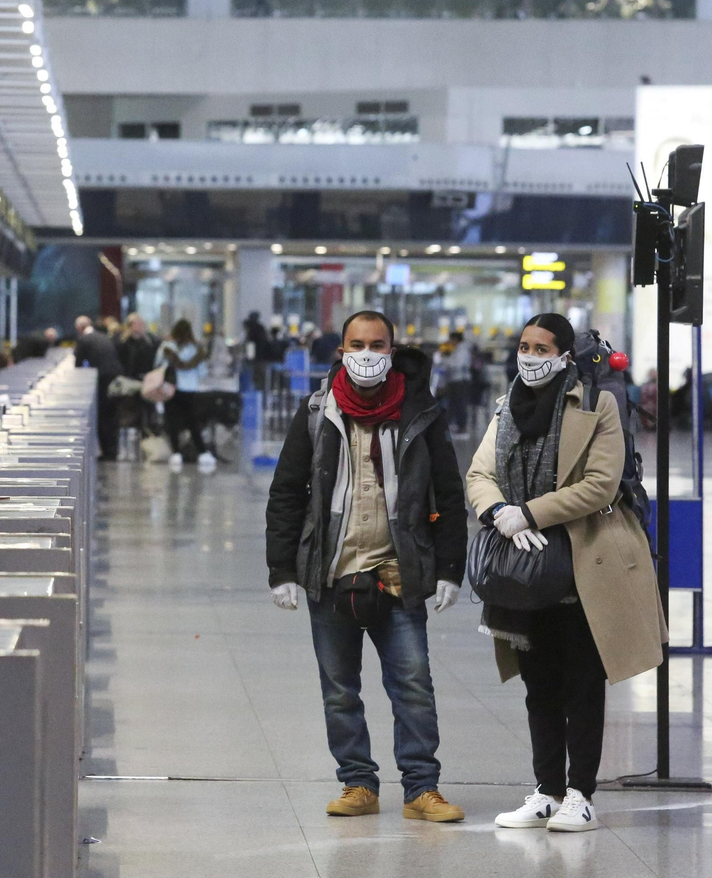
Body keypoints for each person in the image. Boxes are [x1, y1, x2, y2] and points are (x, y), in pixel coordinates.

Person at [265, 310, 468, 823]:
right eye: (357, 344)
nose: (367, 354)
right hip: (330, 575)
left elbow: (449, 493)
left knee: (414, 686)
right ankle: (357, 783)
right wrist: (282, 570)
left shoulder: (422, 414)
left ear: (393, 351)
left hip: (400, 573)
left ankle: (422, 788)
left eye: (378, 345)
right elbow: (287, 493)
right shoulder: (318, 411)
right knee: (339, 691)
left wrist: (449, 568)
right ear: (340, 350)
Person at [465, 313, 665, 834]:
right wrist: (497, 515)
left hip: (584, 559)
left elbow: (600, 485)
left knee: (583, 681)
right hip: (524, 566)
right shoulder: (507, 407)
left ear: (563, 357)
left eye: (541, 348)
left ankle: (582, 794)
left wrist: (528, 512)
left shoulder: (597, 405)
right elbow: (480, 473)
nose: (529, 357)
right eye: (524, 347)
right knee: (539, 684)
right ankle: (547, 791)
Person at [156, 319, 212, 472]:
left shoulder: (167, 347)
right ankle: (202, 453)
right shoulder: (196, 350)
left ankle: (176, 453)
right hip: (190, 390)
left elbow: (158, 365)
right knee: (192, 421)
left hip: (170, 389)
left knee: (171, 421)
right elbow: (203, 372)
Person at [74, 315, 126, 461]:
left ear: (79, 328)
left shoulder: (84, 340)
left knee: (103, 415)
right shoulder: (102, 337)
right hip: (116, 377)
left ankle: (108, 453)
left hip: (103, 379)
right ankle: (112, 451)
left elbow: (77, 366)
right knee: (112, 414)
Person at [442, 330, 475, 433]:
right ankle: (456, 425)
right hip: (455, 380)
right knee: (455, 404)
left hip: (460, 381)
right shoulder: (458, 349)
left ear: (455, 339)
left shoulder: (462, 350)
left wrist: (445, 361)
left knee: (460, 404)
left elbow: (457, 364)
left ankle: (462, 427)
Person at [117, 313, 161, 378]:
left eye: (140, 323)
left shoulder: (152, 341)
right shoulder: (123, 341)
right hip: (128, 377)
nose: (137, 326)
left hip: (147, 376)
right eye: (133, 324)